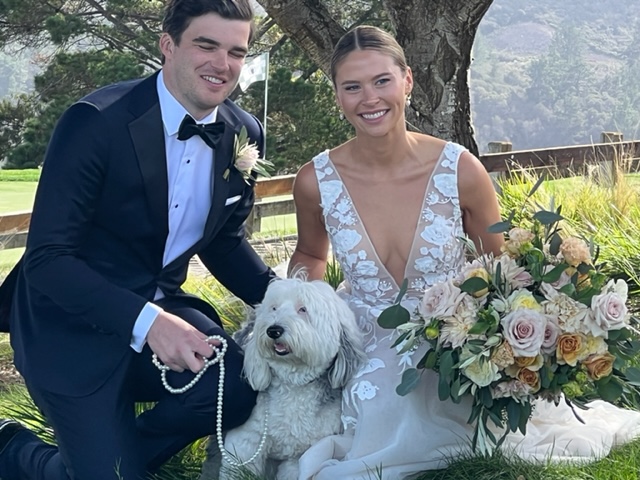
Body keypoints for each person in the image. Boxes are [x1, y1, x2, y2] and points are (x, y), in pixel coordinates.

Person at [289, 25, 640, 480]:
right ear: (337, 94)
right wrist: (299, 313)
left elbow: (498, 270)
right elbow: (310, 255)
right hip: (361, 336)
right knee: (376, 396)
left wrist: (501, 334)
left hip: (448, 334)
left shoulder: (459, 170)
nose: (369, 98)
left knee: (417, 400)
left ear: (407, 81)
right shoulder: (314, 180)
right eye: (352, 87)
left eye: (382, 81)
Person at [0, 0, 276, 478]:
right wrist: (149, 323)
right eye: (206, 46)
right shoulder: (95, 121)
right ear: (168, 45)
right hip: (66, 326)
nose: (223, 64)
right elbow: (48, 259)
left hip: (162, 308)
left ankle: (103, 460)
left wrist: (292, 301)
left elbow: (224, 242)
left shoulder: (243, 132)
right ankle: (13, 450)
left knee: (234, 388)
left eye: (236, 52)